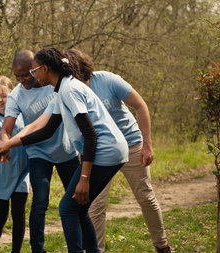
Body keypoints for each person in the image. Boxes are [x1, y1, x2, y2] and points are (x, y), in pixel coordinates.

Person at [0, 48, 129, 253]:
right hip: (104, 151)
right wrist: (9, 144)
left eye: (33, 71)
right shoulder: (61, 89)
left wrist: (84, 177)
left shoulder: (68, 90)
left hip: (104, 151)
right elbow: (46, 129)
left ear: (45, 69)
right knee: (76, 209)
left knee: (67, 208)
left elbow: (91, 135)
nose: (30, 77)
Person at [64, 49, 171, 253]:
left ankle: (162, 244)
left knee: (146, 197)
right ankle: (97, 250)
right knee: (94, 205)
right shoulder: (70, 92)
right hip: (99, 153)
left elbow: (140, 106)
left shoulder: (109, 80)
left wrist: (147, 144)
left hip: (130, 144)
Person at [0, 50, 80, 253]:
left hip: (65, 150)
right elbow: (5, 129)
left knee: (77, 201)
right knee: (40, 201)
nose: (22, 79)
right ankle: (37, 250)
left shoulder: (52, 84)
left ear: (36, 69)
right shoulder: (16, 95)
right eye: (17, 75)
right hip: (38, 152)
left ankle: (79, 247)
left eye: (26, 74)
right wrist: (4, 144)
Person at [0, 76, 30, 253]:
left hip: (21, 171)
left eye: (3, 96)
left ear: (12, 94)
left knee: (19, 215)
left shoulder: (22, 116)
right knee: (1, 214)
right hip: (1, 173)